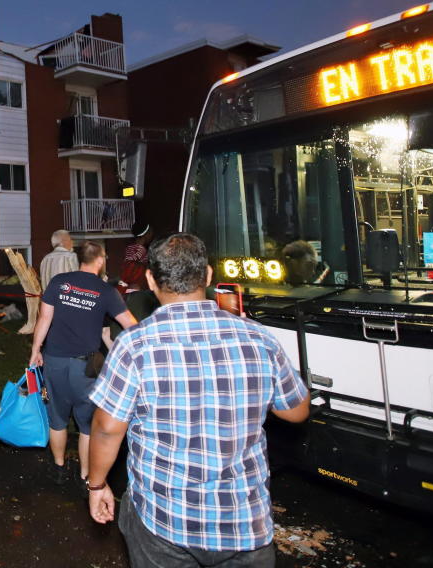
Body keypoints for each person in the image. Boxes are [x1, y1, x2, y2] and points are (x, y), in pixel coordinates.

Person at [87, 233, 310, 568]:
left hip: (164, 522)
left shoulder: (134, 345)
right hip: (244, 523)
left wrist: (97, 484)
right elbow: (296, 411)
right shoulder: (259, 337)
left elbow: (106, 429)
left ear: (150, 280)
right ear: (207, 276)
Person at [29, 240, 137, 493]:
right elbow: (132, 326)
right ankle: (85, 475)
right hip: (85, 368)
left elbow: (44, 318)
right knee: (87, 424)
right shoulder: (107, 291)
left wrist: (35, 350)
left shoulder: (59, 282)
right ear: (100, 260)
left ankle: (58, 468)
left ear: (80, 259)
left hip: (53, 360)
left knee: (57, 419)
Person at [118, 221, 153, 295]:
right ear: (146, 235)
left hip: (126, 282)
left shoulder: (130, 247)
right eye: (150, 233)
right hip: (135, 282)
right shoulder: (141, 250)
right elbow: (132, 263)